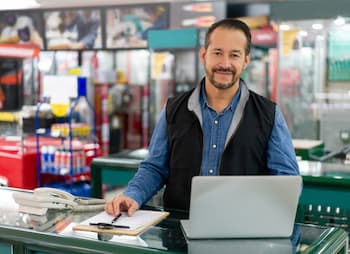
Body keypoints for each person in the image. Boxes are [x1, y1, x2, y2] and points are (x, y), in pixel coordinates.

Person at [105, 18, 300, 217]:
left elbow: (287, 181)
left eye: (234, 55)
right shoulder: (173, 109)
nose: (225, 63)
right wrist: (132, 195)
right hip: (178, 233)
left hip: (242, 233)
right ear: (204, 55)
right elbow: (155, 168)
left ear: (246, 61)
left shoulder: (268, 114)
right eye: (217, 53)